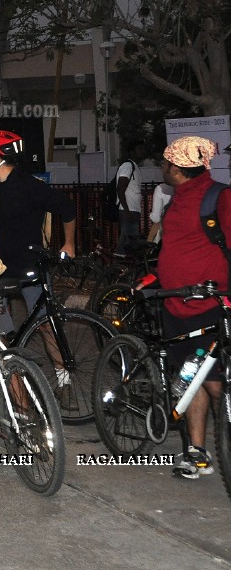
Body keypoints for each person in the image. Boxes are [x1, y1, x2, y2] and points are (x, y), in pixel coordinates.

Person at [0, 130, 78, 410]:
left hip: (29, 267)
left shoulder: (27, 185)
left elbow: (67, 207)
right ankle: (10, 383)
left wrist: (69, 243)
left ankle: (65, 383)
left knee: (46, 325)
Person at [155, 136, 226, 478]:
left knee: (215, 382)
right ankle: (196, 452)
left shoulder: (219, 198)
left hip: (212, 306)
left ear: (177, 167)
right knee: (189, 381)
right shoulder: (175, 200)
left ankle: (223, 451)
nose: (162, 168)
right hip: (174, 306)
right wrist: (154, 279)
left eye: (166, 162)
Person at [115, 143, 147, 257]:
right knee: (127, 241)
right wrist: (127, 210)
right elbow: (120, 188)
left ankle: (123, 267)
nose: (142, 151)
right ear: (132, 152)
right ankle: (118, 266)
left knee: (130, 242)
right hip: (128, 210)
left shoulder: (134, 166)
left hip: (132, 210)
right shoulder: (128, 166)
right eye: (139, 148)